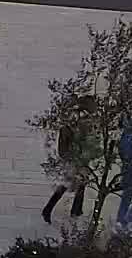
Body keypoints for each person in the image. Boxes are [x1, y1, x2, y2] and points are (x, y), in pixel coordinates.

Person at [41, 93, 96, 221]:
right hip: (74, 160)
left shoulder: (82, 120)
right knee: (69, 184)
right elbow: (66, 146)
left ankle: (76, 210)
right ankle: (50, 209)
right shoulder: (73, 123)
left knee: (79, 184)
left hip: (80, 158)